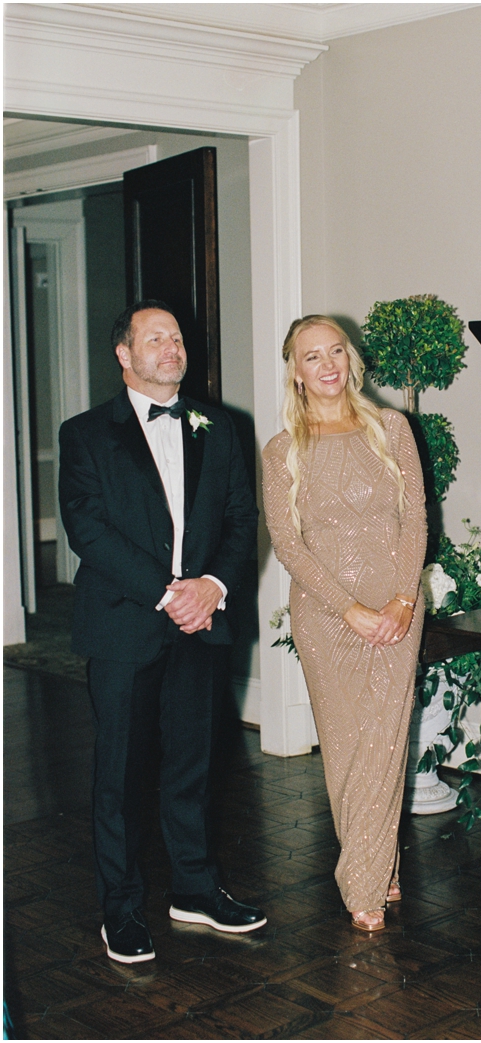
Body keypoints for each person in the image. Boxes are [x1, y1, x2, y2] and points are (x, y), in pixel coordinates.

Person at [58, 300, 265, 964]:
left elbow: (240, 518)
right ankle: (120, 909)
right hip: (125, 624)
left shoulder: (222, 427)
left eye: (176, 337)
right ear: (124, 354)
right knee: (119, 773)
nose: (172, 347)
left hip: (202, 621)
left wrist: (214, 587)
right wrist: (167, 591)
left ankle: (196, 889)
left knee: (193, 765)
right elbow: (88, 528)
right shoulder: (86, 434)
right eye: (156, 338)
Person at [262, 316, 427, 933]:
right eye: (312, 356)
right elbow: (288, 545)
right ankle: (375, 866)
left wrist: (402, 603)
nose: (327, 364)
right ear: (296, 372)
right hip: (328, 616)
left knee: (385, 740)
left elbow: (416, 523)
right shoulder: (283, 451)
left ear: (349, 359)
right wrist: (351, 610)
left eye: (336, 351)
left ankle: (364, 881)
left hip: (397, 609)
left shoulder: (392, 428)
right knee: (347, 747)